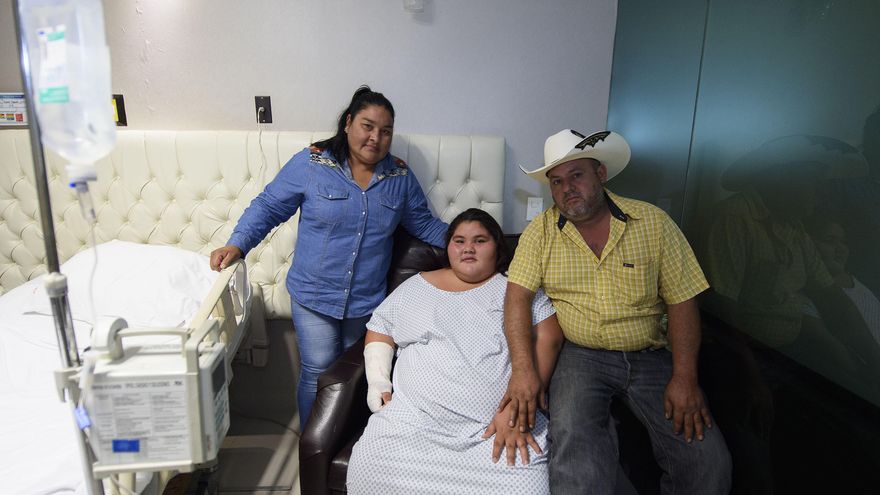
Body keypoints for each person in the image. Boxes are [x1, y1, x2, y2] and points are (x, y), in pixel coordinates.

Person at [502, 129, 732, 494]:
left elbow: (683, 301)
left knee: (708, 460)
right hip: (580, 357)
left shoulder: (653, 223)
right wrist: (523, 370)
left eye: (576, 175)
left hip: (651, 355)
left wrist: (685, 377)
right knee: (574, 448)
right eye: (557, 182)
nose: (567, 188)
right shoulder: (541, 232)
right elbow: (516, 298)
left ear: (601, 174)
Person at [209, 86, 447, 429]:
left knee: (355, 374)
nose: (376, 138)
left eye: (386, 131)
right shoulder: (312, 163)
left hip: (366, 301)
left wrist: (472, 243)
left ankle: (346, 442)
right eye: (367, 126)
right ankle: (312, 445)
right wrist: (238, 244)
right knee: (318, 371)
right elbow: (269, 206)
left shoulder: (400, 176)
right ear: (348, 123)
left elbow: (424, 224)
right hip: (314, 296)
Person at [347, 208, 564, 495]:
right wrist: (377, 381)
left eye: (480, 241)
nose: (468, 248)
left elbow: (550, 334)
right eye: (459, 241)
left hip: (495, 432)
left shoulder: (515, 288)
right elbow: (381, 326)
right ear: (448, 247)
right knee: (368, 471)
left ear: (498, 248)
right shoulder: (416, 286)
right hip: (411, 428)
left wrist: (520, 408)